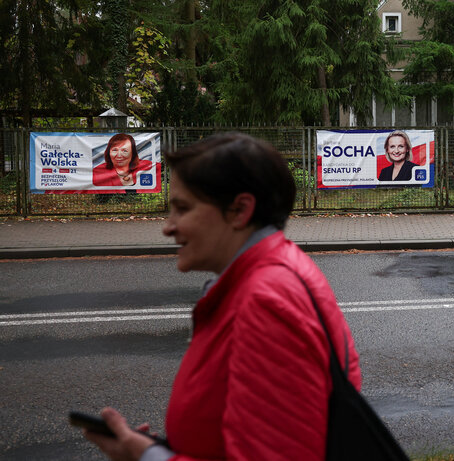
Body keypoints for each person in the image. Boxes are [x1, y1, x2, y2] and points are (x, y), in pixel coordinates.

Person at [82, 133, 361, 461]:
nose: (168, 227)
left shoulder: (266, 302)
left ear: (240, 210)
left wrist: (147, 456)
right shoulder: (268, 275)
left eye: (182, 208)